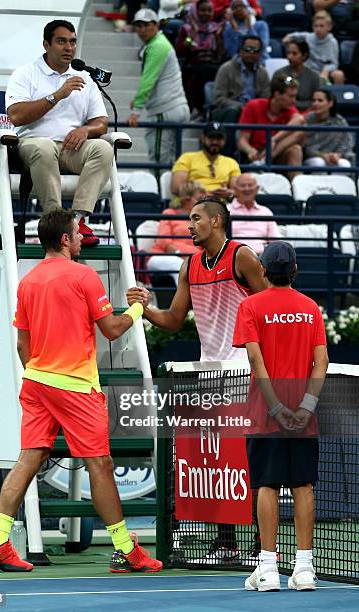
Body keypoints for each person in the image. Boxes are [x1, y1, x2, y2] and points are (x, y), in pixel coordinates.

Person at [0, 209, 163, 574]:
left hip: (36, 381)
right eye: (78, 233)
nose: (82, 238)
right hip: (75, 386)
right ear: (64, 239)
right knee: (101, 464)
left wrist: (41, 373)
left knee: (28, 459)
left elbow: (21, 344)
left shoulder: (28, 282)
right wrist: (139, 308)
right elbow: (111, 329)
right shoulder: (84, 275)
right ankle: (126, 549)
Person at [127, 196, 268, 561]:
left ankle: (261, 542)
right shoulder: (189, 266)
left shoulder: (242, 257)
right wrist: (144, 307)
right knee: (218, 460)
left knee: (248, 460)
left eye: (195, 219)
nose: (189, 226)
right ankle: (226, 541)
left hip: (243, 373)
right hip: (208, 375)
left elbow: (270, 305)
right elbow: (174, 321)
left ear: (217, 221)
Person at [233, 241, 329, 591]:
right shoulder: (310, 308)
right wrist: (305, 406)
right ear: (295, 271)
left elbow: (256, 361)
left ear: (262, 271)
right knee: (303, 485)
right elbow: (322, 362)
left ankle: (268, 569)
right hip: (304, 415)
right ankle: (304, 569)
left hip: (265, 413)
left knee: (268, 485)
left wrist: (275, 407)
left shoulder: (250, 306)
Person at [5, 20, 114, 247]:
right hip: (32, 145)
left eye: (72, 42)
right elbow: (16, 115)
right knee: (43, 147)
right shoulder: (25, 73)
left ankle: (78, 220)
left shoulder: (84, 76)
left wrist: (86, 129)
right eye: (61, 41)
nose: (69, 48)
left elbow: (102, 122)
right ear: (46, 44)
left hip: (70, 148)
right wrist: (57, 95)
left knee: (103, 148)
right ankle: (56, 222)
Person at [127, 9, 190, 168]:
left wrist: (136, 111)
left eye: (146, 25)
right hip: (176, 107)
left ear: (156, 25)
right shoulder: (160, 43)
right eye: (138, 26)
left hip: (165, 110)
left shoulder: (157, 46)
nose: (141, 29)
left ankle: (161, 193)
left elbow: (148, 80)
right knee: (175, 163)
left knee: (159, 161)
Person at [238, 74, 305, 181]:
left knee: (296, 145)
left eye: (295, 96)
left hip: (276, 152)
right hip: (255, 154)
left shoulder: (290, 109)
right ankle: (261, 161)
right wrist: (249, 150)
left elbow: (300, 120)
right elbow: (242, 140)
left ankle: (300, 192)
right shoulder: (254, 106)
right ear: (277, 94)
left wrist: (273, 139)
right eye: (291, 96)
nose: (294, 101)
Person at [212, 35, 269, 154]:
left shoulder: (263, 73)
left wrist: (252, 109)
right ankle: (227, 155)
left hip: (254, 112)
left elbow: (266, 99)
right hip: (230, 111)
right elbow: (218, 98)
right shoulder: (226, 69)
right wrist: (240, 106)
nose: (251, 53)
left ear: (260, 54)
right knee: (233, 112)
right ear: (240, 51)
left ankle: (259, 155)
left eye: (255, 51)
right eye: (248, 49)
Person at [147, 181, 206, 285]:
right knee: (181, 265)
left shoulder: (203, 219)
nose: (203, 204)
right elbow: (163, 241)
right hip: (162, 256)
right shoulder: (169, 213)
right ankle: (184, 301)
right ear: (186, 199)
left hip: (193, 259)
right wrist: (180, 254)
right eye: (199, 200)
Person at [175, 0, 225, 118]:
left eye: (209, 11)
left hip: (211, 64)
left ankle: (209, 111)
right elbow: (180, 51)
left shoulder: (216, 29)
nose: (206, 13)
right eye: (202, 10)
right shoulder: (187, 28)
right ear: (196, 11)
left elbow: (221, 54)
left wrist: (217, 37)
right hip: (193, 64)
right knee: (198, 75)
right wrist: (192, 35)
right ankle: (197, 109)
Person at [171, 122, 241, 197]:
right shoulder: (187, 158)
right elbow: (176, 188)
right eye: (211, 138)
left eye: (219, 138)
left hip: (222, 205)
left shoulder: (231, 163)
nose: (215, 142)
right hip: (193, 204)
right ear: (203, 138)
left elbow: (238, 191)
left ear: (224, 140)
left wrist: (229, 193)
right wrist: (202, 194)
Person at [283, 11, 345, 85]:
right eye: (316, 26)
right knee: (291, 74)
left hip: (325, 72)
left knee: (339, 74)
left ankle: (337, 95)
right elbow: (295, 35)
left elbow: (334, 64)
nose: (318, 29)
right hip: (308, 70)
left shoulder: (333, 42)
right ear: (312, 27)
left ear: (329, 27)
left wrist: (326, 70)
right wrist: (288, 37)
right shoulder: (308, 37)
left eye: (322, 26)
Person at [228, 173, 280, 255]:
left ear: (257, 189)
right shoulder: (225, 210)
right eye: (243, 185)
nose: (247, 189)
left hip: (261, 260)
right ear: (235, 189)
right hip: (233, 258)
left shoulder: (266, 212)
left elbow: (275, 241)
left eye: (250, 185)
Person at [304, 88, 354, 169]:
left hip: (335, 157)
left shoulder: (340, 121)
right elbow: (305, 146)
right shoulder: (307, 119)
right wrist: (322, 155)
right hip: (313, 158)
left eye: (320, 100)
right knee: (319, 163)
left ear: (330, 103)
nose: (315, 103)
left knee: (344, 164)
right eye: (313, 100)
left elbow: (347, 143)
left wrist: (337, 155)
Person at [273, 39, 323, 112]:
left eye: (294, 53)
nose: (290, 57)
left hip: (307, 114)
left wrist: (295, 104)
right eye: (288, 53)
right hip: (282, 113)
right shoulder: (279, 73)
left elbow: (316, 101)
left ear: (304, 55)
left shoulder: (314, 77)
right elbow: (273, 98)